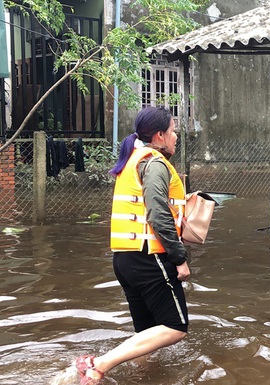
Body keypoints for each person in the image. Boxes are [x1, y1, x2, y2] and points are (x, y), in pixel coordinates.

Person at [75, 106, 190, 384]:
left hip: (126, 259)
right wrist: (179, 258)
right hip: (149, 257)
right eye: (173, 131)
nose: (176, 137)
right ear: (160, 135)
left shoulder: (132, 160)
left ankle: (140, 378)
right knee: (176, 327)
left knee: (147, 331)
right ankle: (98, 365)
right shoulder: (155, 164)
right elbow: (158, 214)